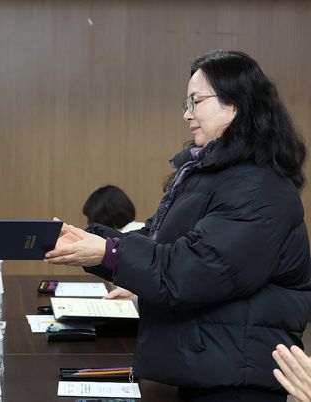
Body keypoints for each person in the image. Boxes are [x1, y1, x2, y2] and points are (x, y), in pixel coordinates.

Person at [45, 49, 311, 401]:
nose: (187, 114)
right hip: (206, 363)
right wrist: (91, 240)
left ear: (235, 104)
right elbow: (155, 241)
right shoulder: (209, 174)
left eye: (196, 102)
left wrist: (109, 253)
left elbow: (191, 271)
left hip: (236, 380)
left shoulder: (258, 188)